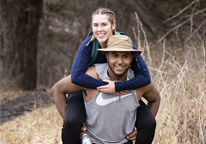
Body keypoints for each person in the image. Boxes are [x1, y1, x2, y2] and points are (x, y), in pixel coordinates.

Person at [52, 8, 156, 144]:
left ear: (113, 26)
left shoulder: (125, 43)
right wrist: (105, 86)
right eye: (96, 25)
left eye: (104, 24)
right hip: (87, 84)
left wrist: (119, 86)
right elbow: (76, 76)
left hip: (122, 85)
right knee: (71, 121)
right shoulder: (88, 44)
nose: (99, 29)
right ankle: (82, 135)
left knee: (148, 122)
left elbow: (145, 77)